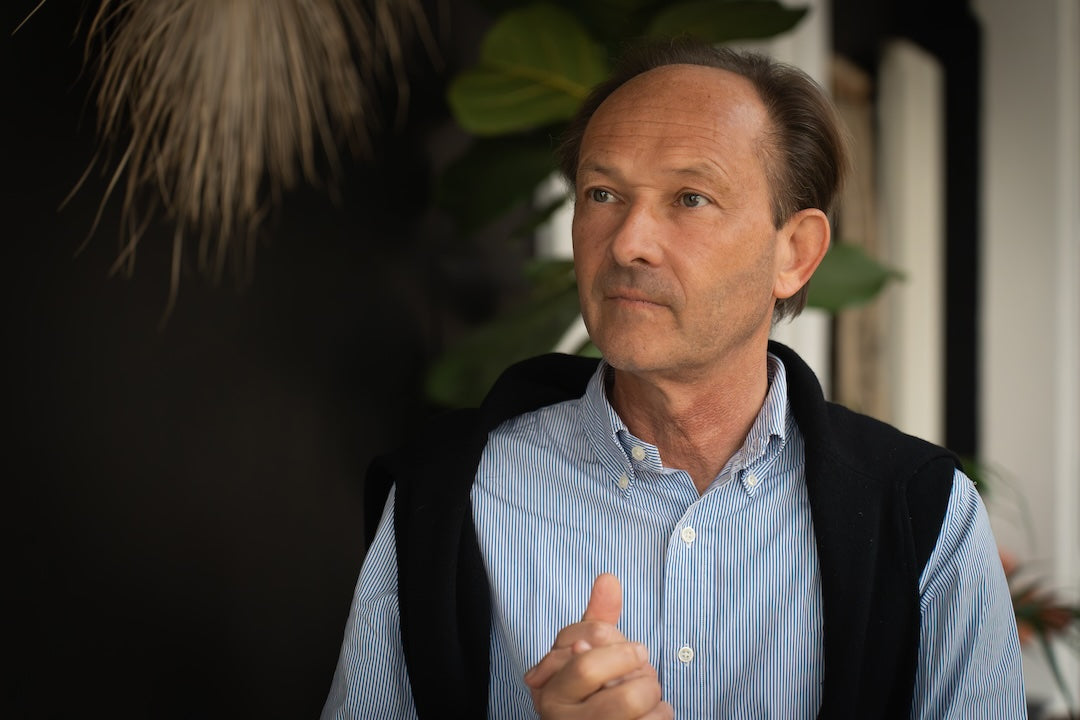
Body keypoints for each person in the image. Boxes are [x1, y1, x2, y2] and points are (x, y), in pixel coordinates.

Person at [322, 39, 1025, 719]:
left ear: (796, 252)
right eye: (602, 193)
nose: (627, 242)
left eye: (690, 198)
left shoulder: (924, 516)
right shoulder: (445, 496)